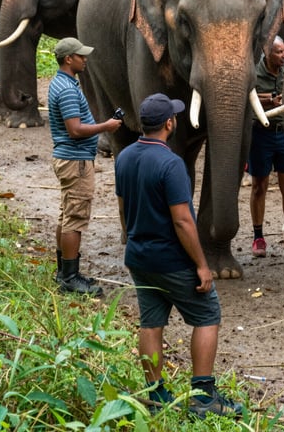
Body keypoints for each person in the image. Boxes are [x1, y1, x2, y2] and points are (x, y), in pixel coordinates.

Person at [114, 93, 244, 418]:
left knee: (151, 322)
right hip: (170, 259)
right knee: (207, 314)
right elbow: (183, 220)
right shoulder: (171, 163)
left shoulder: (125, 157)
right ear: (169, 124)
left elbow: (122, 206)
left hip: (139, 257)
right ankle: (202, 396)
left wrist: (133, 237)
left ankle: (154, 392)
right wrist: (202, 264)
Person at [48, 37, 122, 296]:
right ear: (69, 59)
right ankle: (70, 278)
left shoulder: (61, 82)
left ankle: (64, 272)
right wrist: (106, 126)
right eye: (81, 56)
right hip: (75, 160)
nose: (85, 59)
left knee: (66, 214)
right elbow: (75, 129)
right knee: (75, 219)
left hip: (70, 158)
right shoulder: (67, 89)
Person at [248, 36, 284, 258]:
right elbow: (246, 97)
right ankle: (258, 236)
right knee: (259, 186)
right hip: (261, 134)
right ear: (267, 53)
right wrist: (268, 101)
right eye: (279, 52)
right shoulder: (254, 74)